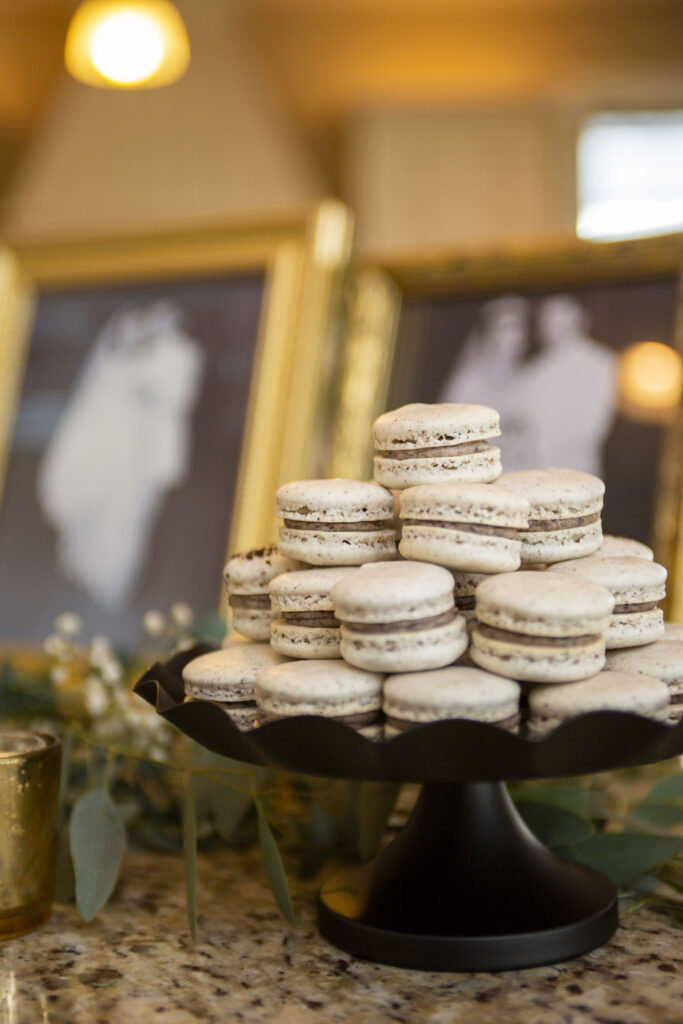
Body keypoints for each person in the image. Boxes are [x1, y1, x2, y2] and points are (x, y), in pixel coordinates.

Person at [38, 300, 204, 610]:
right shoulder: (121, 339)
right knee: (94, 494)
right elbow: (101, 381)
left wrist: (143, 381)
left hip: (143, 448)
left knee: (128, 513)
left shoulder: (182, 352)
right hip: (113, 438)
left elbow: (176, 395)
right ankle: (81, 564)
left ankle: (111, 578)